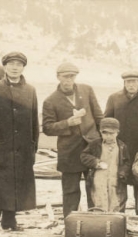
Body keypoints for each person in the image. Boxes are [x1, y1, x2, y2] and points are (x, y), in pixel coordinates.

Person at [0, 52, 39, 232]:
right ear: (4, 67)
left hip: (22, 149)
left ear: (23, 67)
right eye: (11, 64)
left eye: (19, 64)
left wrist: (32, 147)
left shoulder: (30, 90)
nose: (14, 67)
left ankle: (10, 222)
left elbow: (34, 122)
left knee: (16, 184)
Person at [42, 62, 104, 218]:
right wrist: (67, 123)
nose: (68, 80)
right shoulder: (50, 101)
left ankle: (95, 221)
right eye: (65, 77)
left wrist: (102, 140)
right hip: (69, 152)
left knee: (94, 188)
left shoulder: (86, 90)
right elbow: (47, 128)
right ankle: (70, 223)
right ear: (58, 77)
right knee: (70, 190)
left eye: (72, 76)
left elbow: (98, 117)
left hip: (92, 148)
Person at [104, 71, 138, 213]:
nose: (131, 85)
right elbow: (107, 122)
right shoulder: (114, 98)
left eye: (134, 81)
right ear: (124, 83)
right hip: (119, 147)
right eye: (128, 82)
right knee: (119, 177)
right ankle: (118, 212)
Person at [80, 118, 130, 212]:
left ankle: (114, 223)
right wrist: (96, 162)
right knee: (99, 200)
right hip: (99, 178)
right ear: (100, 132)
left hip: (115, 178)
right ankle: (100, 222)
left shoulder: (122, 146)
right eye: (105, 133)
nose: (108, 136)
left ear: (117, 133)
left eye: (111, 133)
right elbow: (84, 155)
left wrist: (123, 173)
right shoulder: (95, 144)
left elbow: (127, 162)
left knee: (115, 201)